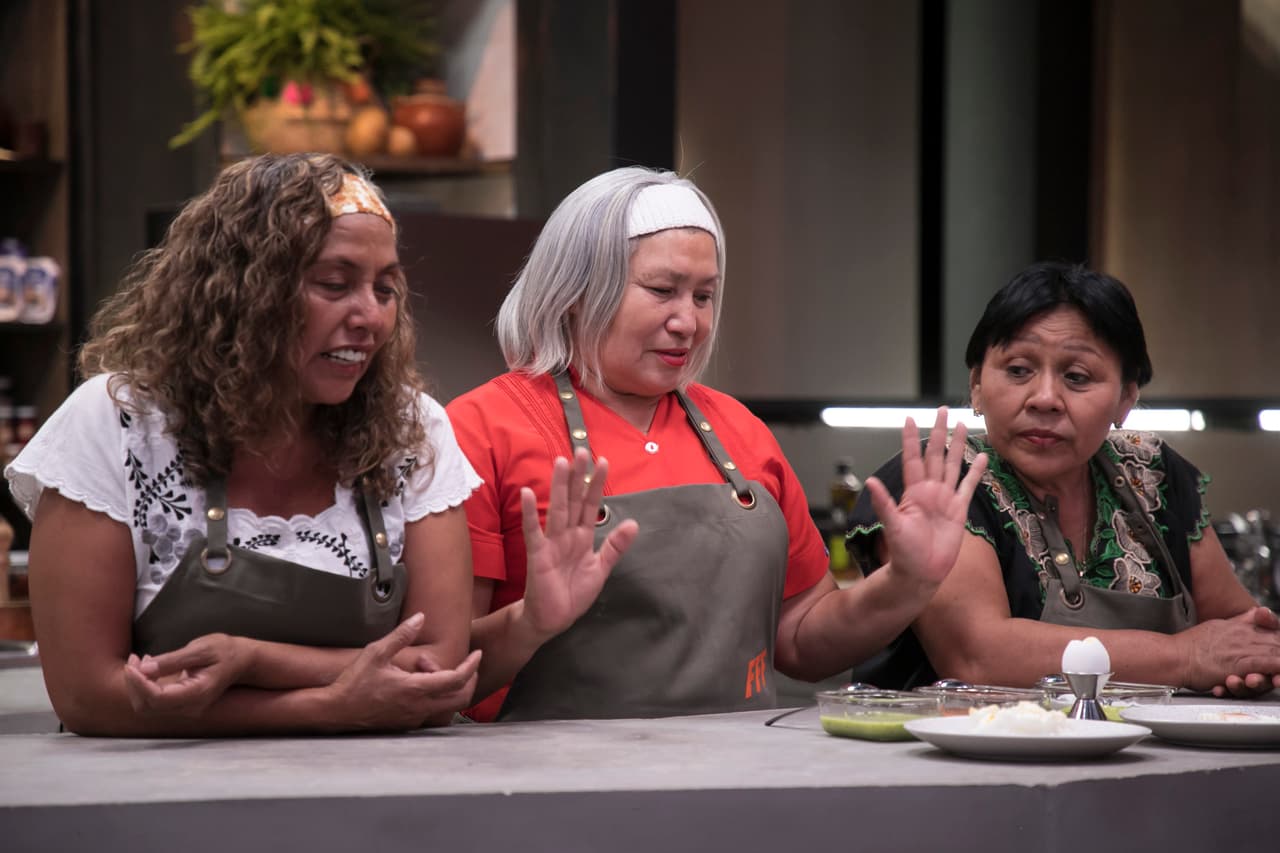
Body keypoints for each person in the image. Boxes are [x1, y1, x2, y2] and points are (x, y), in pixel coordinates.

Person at [447, 166, 988, 721]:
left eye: (704, 296)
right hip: (552, 791)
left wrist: (906, 582)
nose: (689, 321)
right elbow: (442, 670)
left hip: (736, 781)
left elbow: (800, 641)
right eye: (662, 291)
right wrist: (530, 621)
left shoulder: (739, 431)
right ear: (579, 291)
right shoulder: (482, 429)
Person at [3, 153, 483, 736]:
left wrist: (252, 660)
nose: (371, 317)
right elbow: (87, 695)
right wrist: (329, 705)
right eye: (335, 284)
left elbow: (435, 668)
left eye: (386, 288)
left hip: (380, 808)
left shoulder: (410, 428)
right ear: (241, 291)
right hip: (157, 807)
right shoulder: (117, 423)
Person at [848, 261, 1280, 696]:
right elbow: (979, 655)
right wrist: (1187, 657)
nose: (1045, 398)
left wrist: (1251, 662)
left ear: (1126, 398)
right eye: (1018, 370)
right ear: (977, 383)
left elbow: (1236, 628)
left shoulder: (1154, 475)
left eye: (1077, 377)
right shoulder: (937, 479)